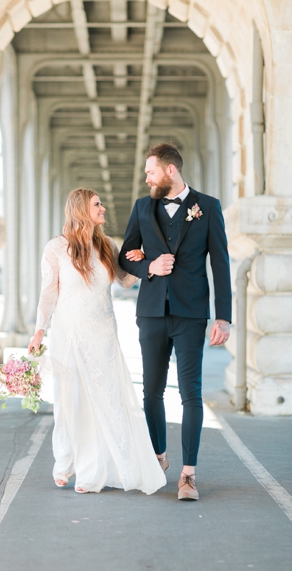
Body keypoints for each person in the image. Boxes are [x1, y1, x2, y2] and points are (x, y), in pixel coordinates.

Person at [27, 188, 166, 495]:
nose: (103, 208)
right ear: (80, 210)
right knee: (70, 401)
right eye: (97, 204)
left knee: (107, 399)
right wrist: (39, 330)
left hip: (103, 332)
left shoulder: (107, 245)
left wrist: (140, 262)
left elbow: (124, 280)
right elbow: (49, 291)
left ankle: (95, 470)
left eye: (101, 203)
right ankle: (64, 462)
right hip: (69, 334)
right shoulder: (56, 248)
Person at [118, 142, 231, 501]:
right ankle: (160, 457)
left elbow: (221, 265)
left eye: (151, 171)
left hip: (191, 314)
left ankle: (188, 475)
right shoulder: (141, 207)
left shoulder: (208, 208)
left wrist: (223, 317)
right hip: (151, 312)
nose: (147, 177)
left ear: (170, 171)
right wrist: (148, 266)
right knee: (151, 391)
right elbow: (124, 257)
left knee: (190, 394)